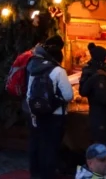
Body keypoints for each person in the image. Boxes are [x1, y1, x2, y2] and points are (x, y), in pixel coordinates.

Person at [26, 38, 73, 179]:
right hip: (56, 115)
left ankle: (36, 173)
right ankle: (49, 174)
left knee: (39, 143)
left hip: (39, 113)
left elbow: (29, 94)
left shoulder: (34, 68)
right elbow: (68, 95)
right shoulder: (58, 71)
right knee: (51, 147)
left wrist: (35, 111)